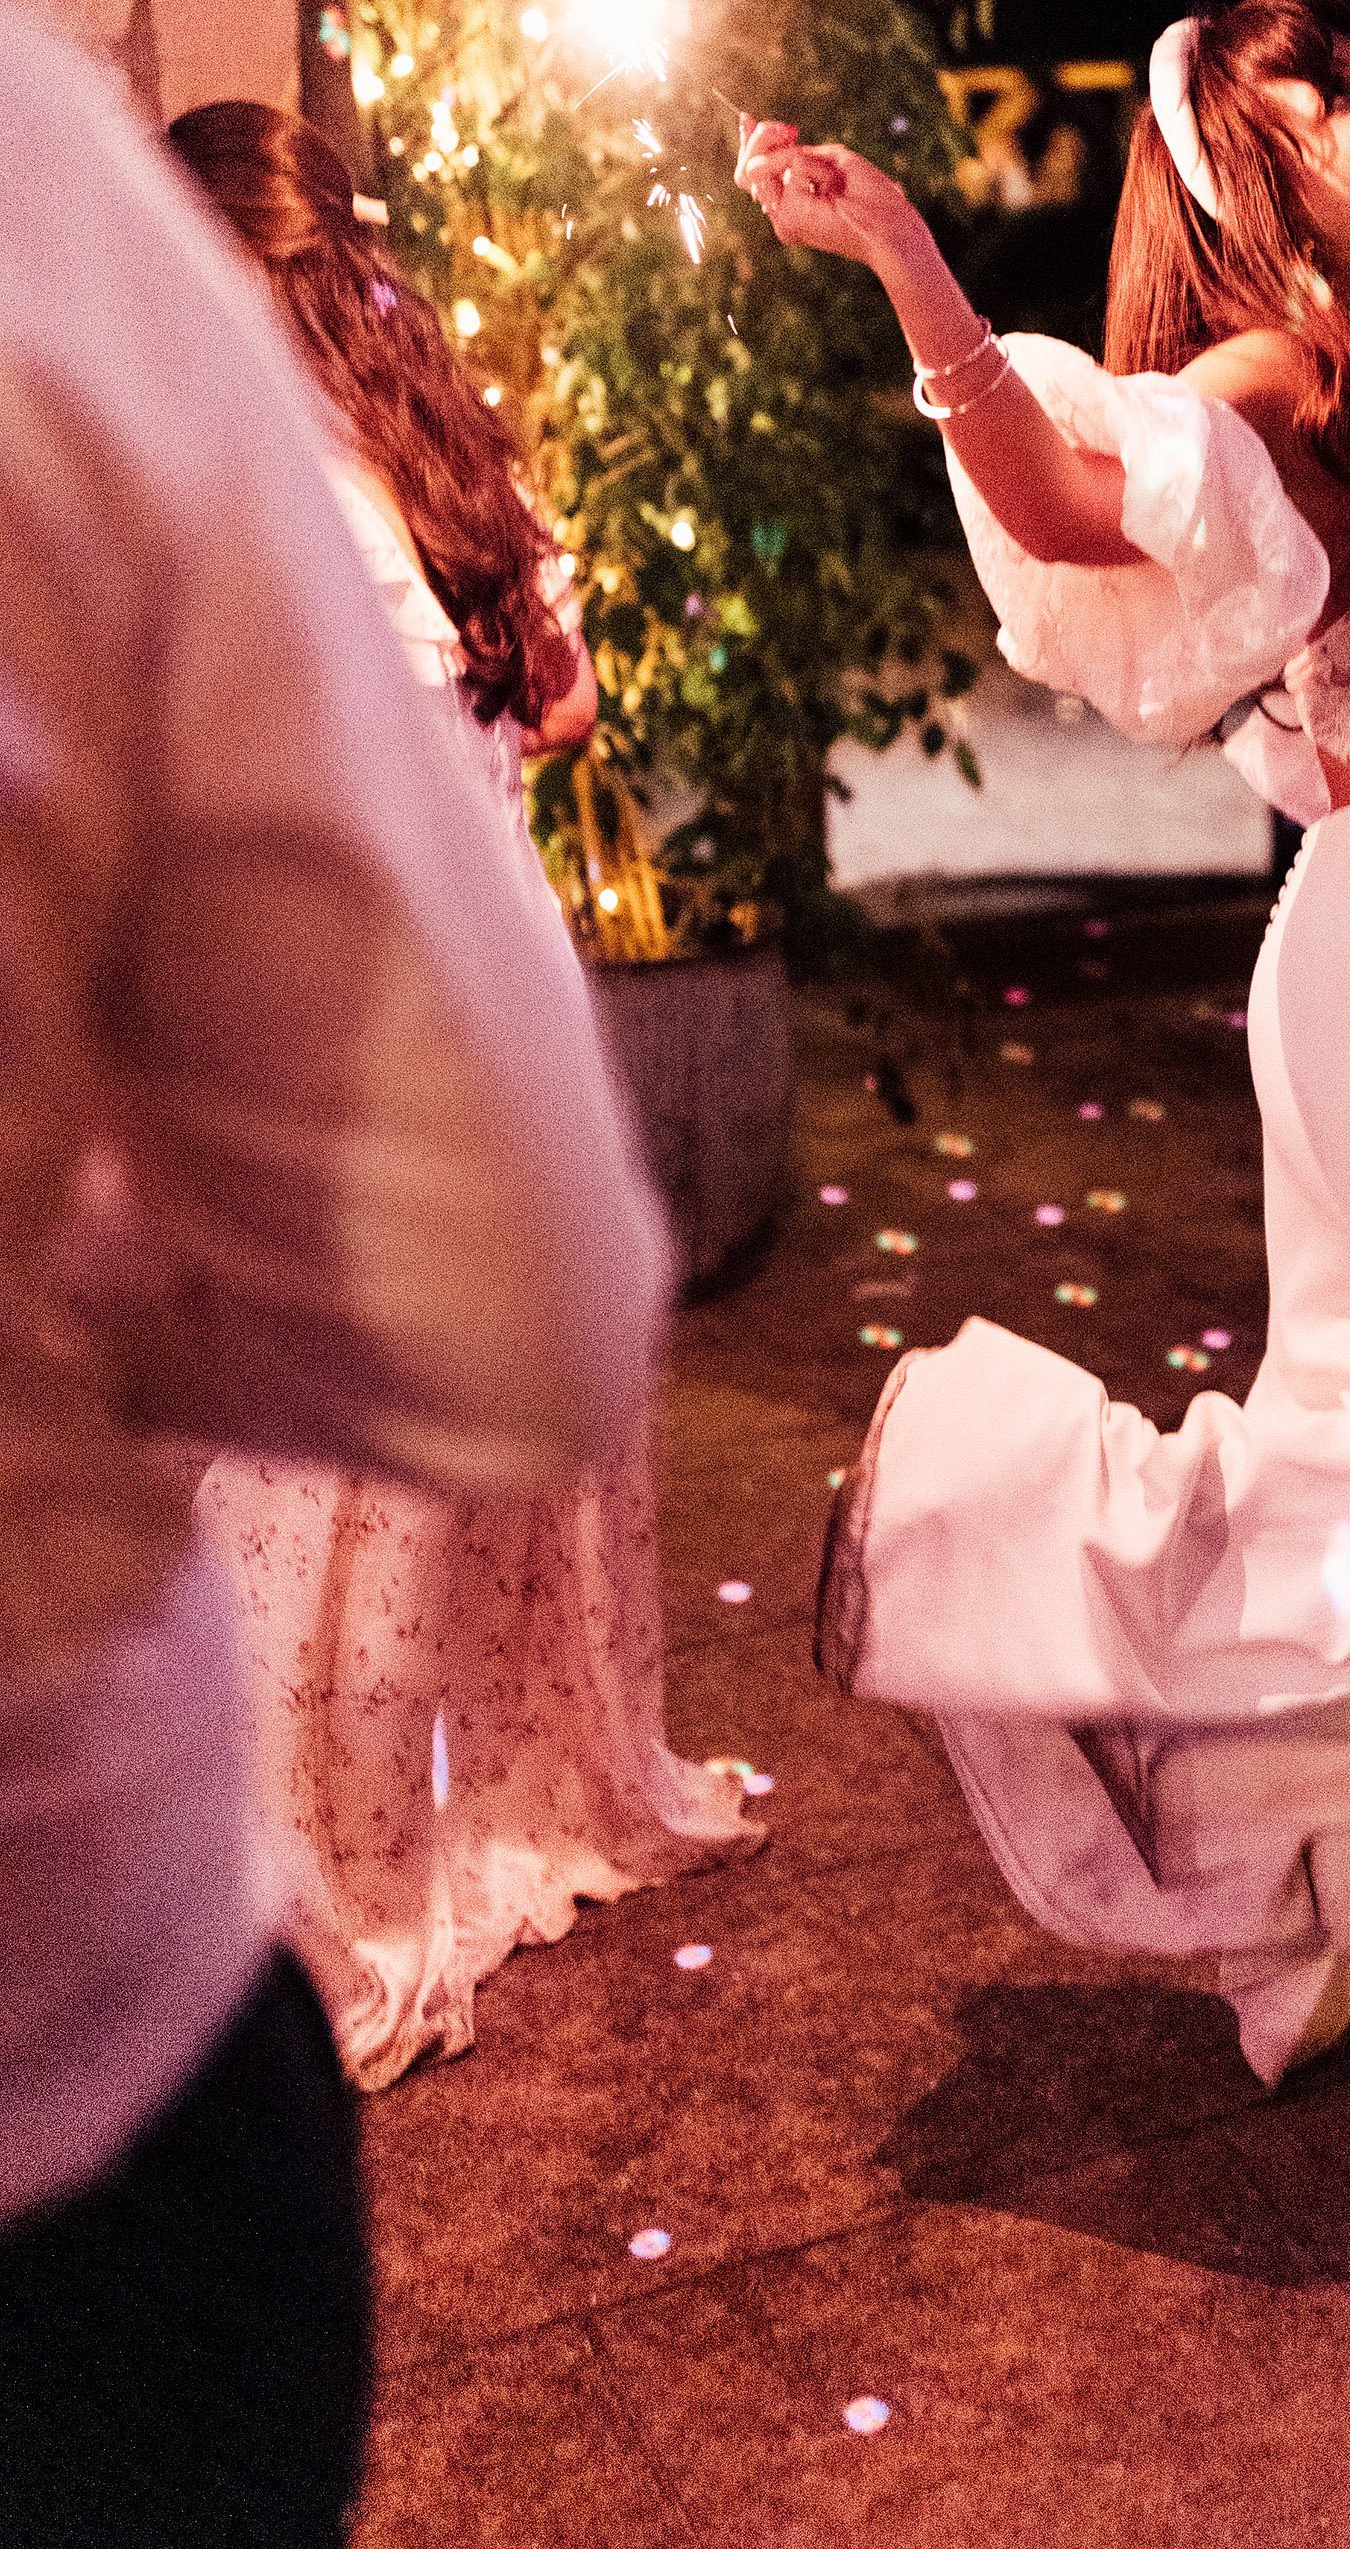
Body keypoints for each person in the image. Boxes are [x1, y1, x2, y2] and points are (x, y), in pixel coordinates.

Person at [737, 0, 1350, 2089]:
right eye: (1324, 88)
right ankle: (998, 1519)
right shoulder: (1270, 379)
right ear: (1255, 179)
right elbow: (1080, 496)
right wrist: (914, 260)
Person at [0, 6, 670, 2544]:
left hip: (400, 1043)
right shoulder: (76, 291)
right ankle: (376, 1842)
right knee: (388, 1505)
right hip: (67, 2066)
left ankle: (423, 1811)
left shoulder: (376, 468)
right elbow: (523, 1296)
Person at [164, 103, 762, 2095]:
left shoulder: (245, 475)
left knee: (340, 1487)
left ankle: (330, 1877)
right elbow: (566, 702)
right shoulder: (418, 453)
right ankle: (478, 1797)